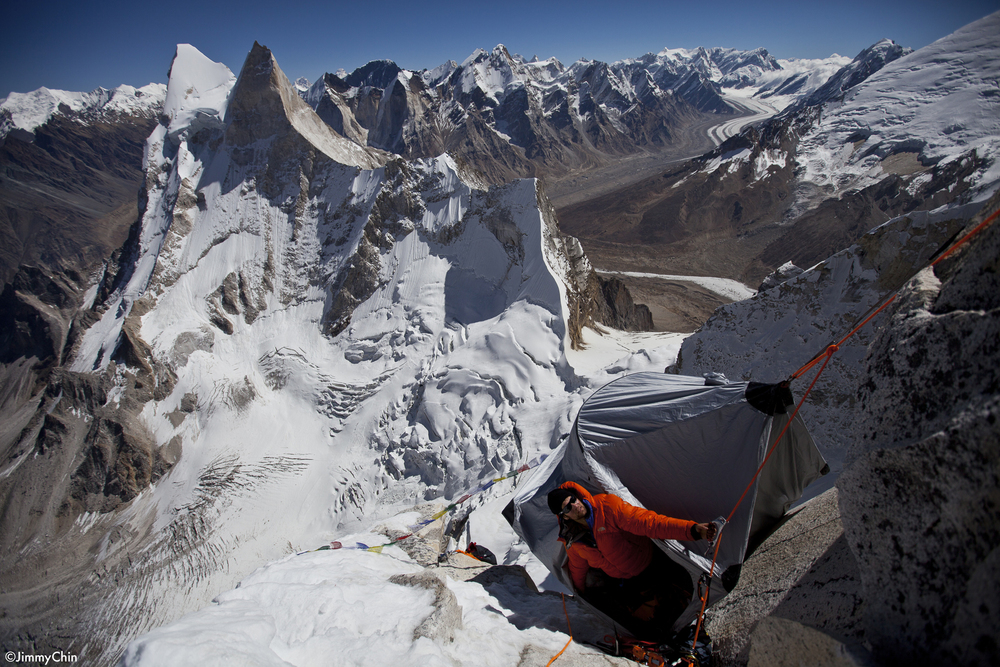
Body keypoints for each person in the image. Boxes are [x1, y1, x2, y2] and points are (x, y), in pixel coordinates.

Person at [548, 481, 717, 639]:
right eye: (567, 508)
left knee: (674, 601)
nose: (575, 506)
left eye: (573, 500)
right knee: (648, 619)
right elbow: (578, 567)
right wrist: (581, 594)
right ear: (565, 517)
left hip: (650, 565)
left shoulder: (608, 508)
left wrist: (693, 530)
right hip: (625, 581)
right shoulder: (573, 541)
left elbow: (651, 523)